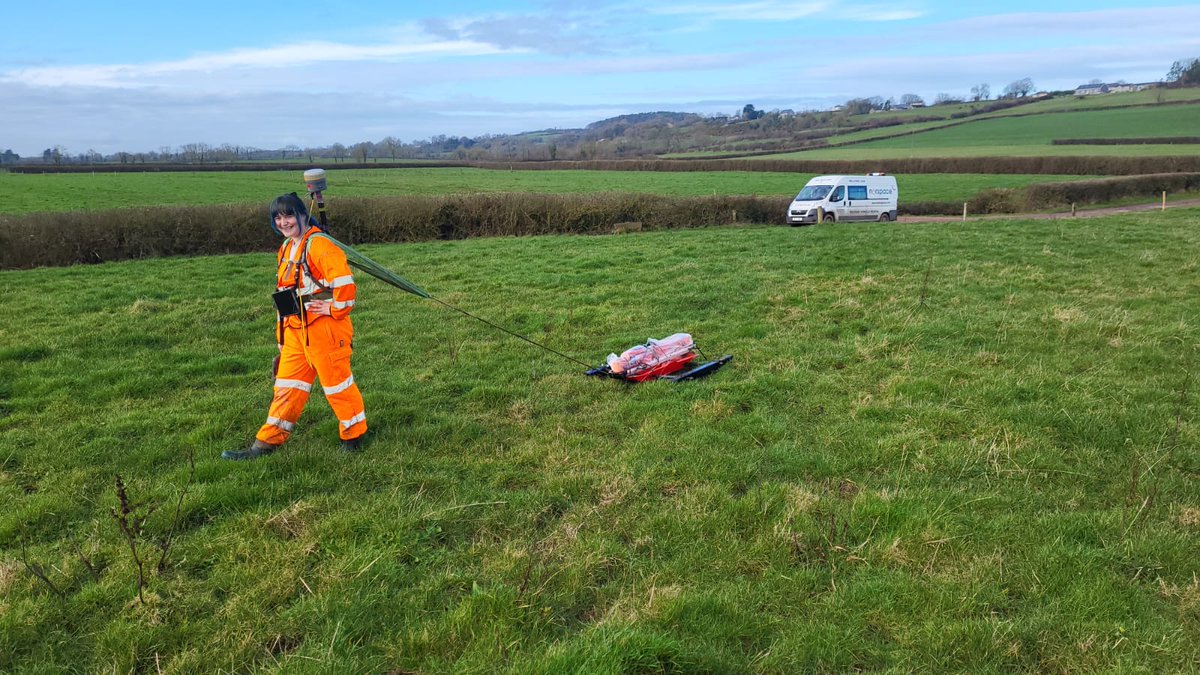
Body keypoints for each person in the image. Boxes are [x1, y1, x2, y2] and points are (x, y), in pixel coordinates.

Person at [223, 193, 368, 460]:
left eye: (288, 215)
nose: (283, 222)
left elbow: (345, 284)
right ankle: (266, 443)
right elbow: (284, 293)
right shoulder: (287, 247)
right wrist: (282, 335)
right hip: (295, 332)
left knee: (337, 386)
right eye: (277, 217)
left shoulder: (320, 245)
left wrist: (334, 308)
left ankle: (354, 434)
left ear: (303, 214)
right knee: (286, 386)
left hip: (325, 330)